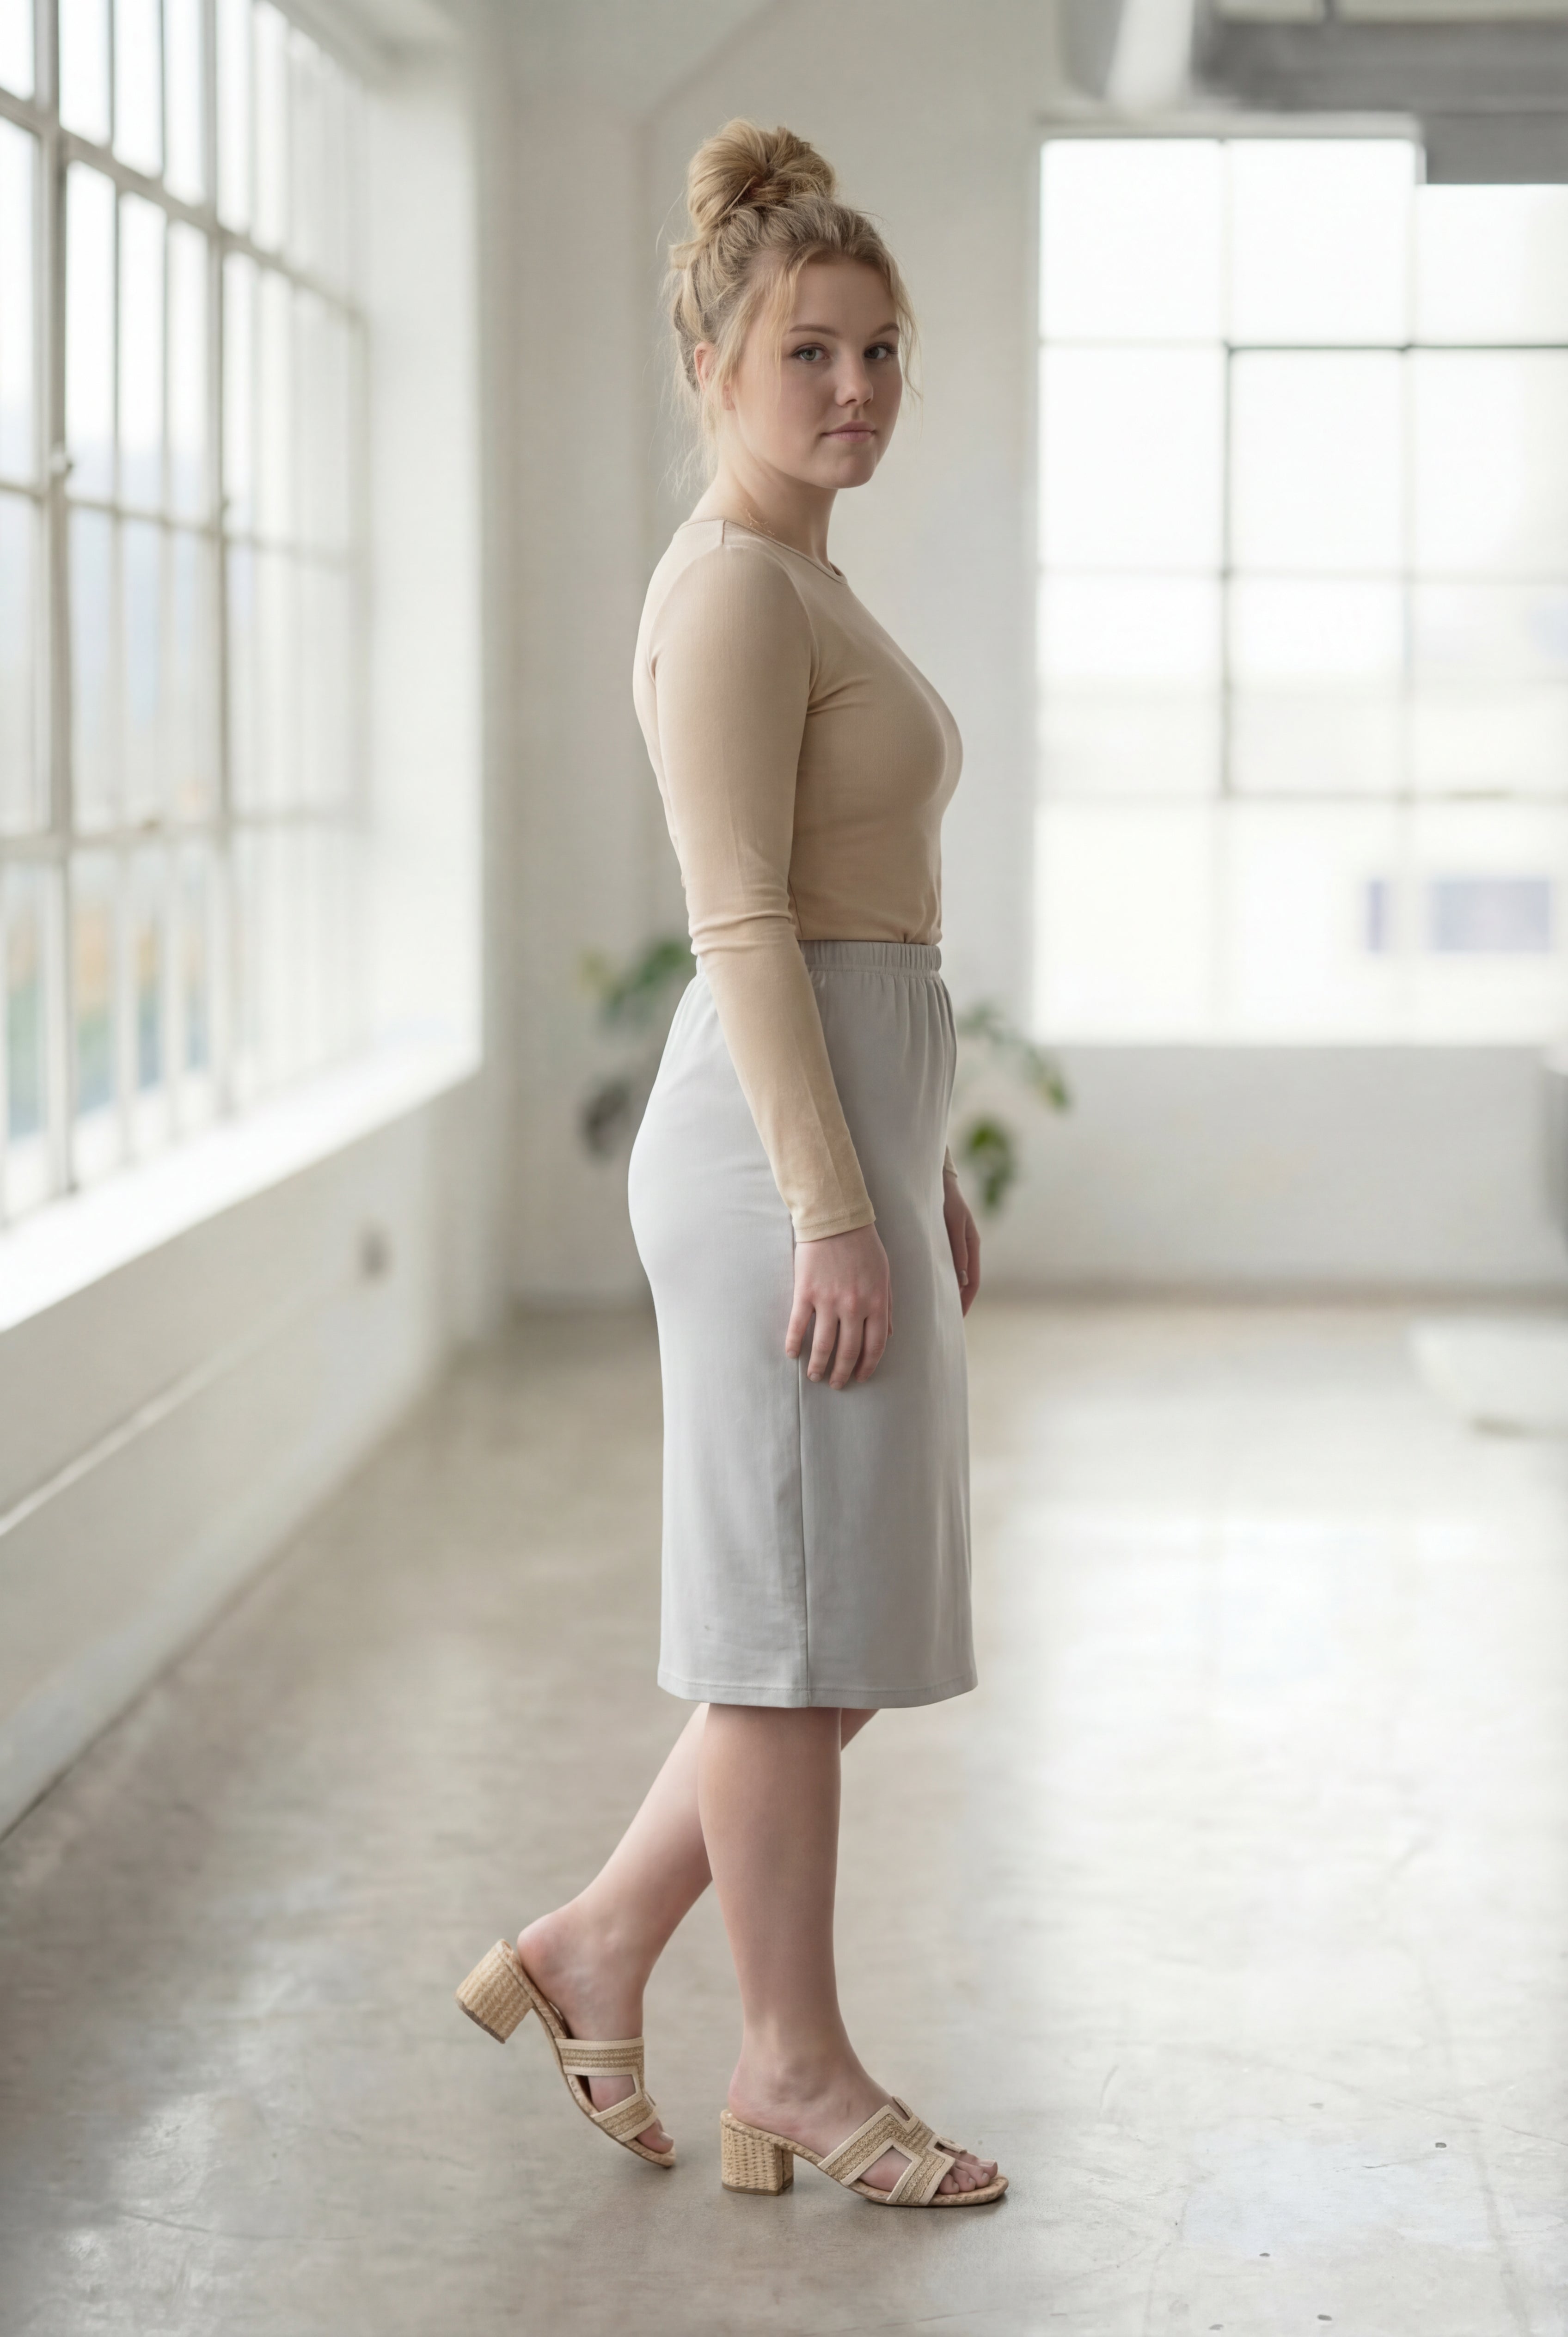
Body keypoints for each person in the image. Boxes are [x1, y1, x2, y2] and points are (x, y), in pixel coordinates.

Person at [457, 119, 1004, 2212]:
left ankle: (595, 1943)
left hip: (839, 1128)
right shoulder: (726, 593)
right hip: (769, 1155)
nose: (854, 387)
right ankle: (790, 2059)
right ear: (713, 365)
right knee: (790, 1638)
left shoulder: (802, 579)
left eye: (879, 350)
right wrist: (833, 1196)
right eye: (809, 353)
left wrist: (904, 1155)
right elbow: (744, 923)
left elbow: (858, 919)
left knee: (826, 1631)